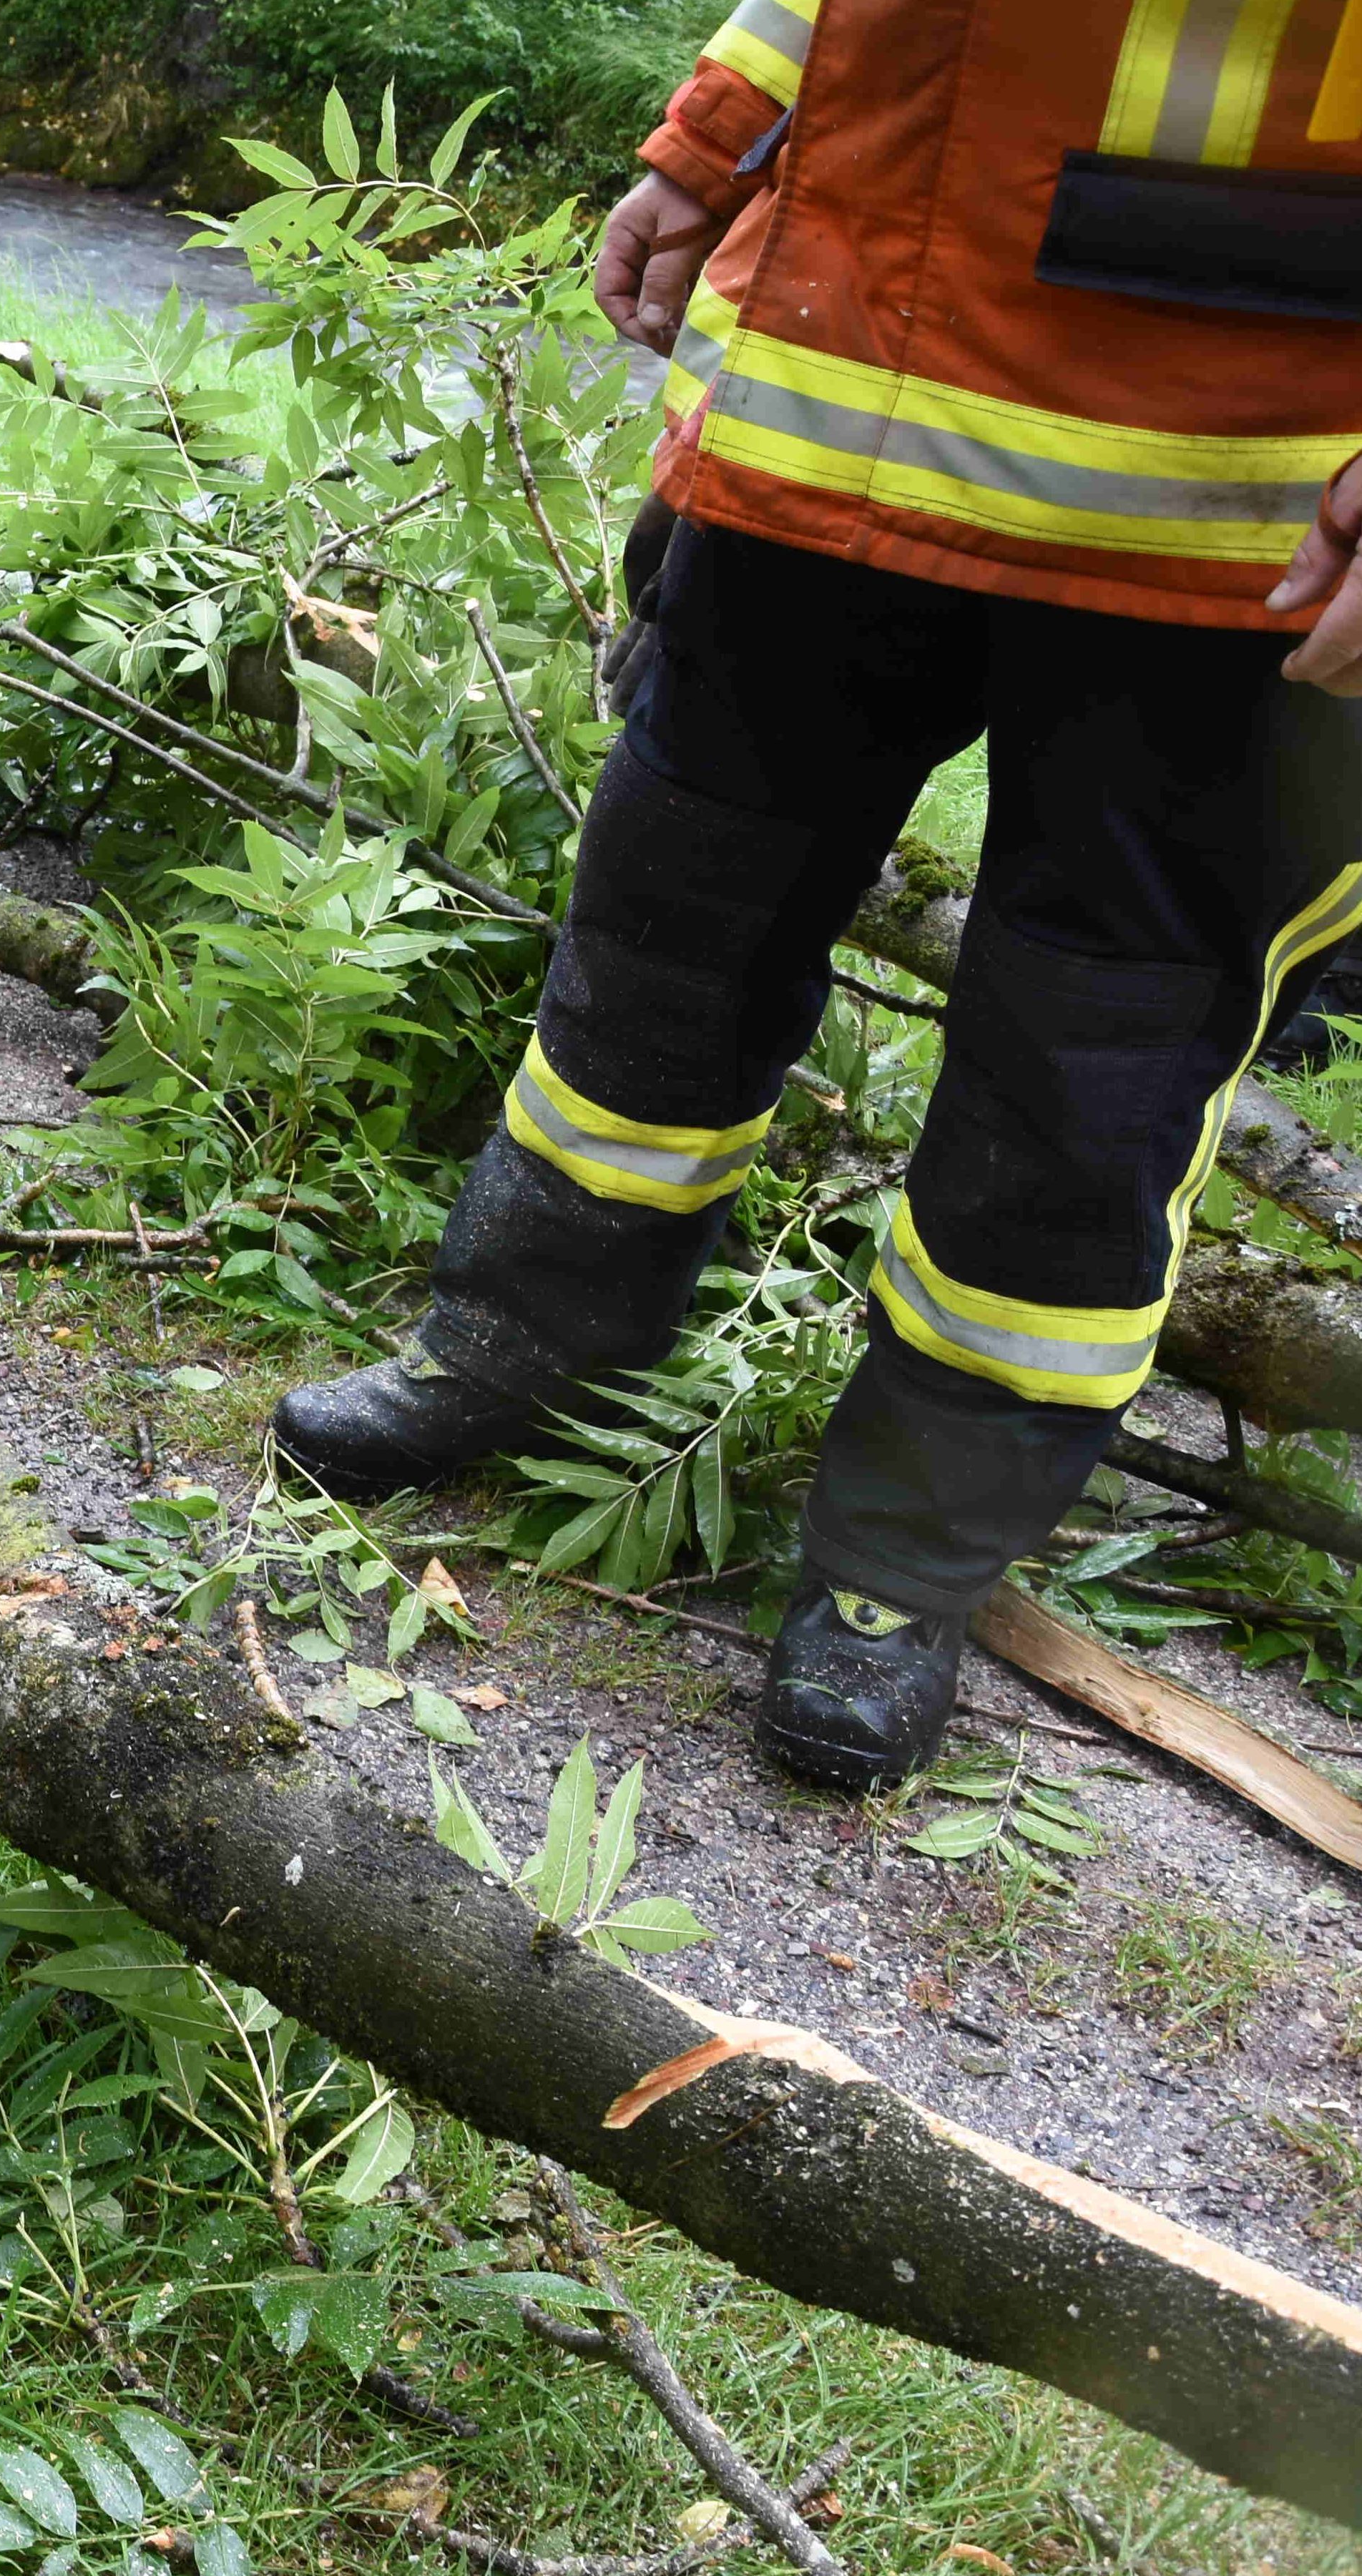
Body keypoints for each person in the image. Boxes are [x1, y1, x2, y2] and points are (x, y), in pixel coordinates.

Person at [272, 0, 1362, 1786]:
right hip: (830, 381)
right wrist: (720, 133)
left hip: (1218, 493)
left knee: (1087, 1067)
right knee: (659, 927)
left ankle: (896, 1570)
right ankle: (520, 1342)